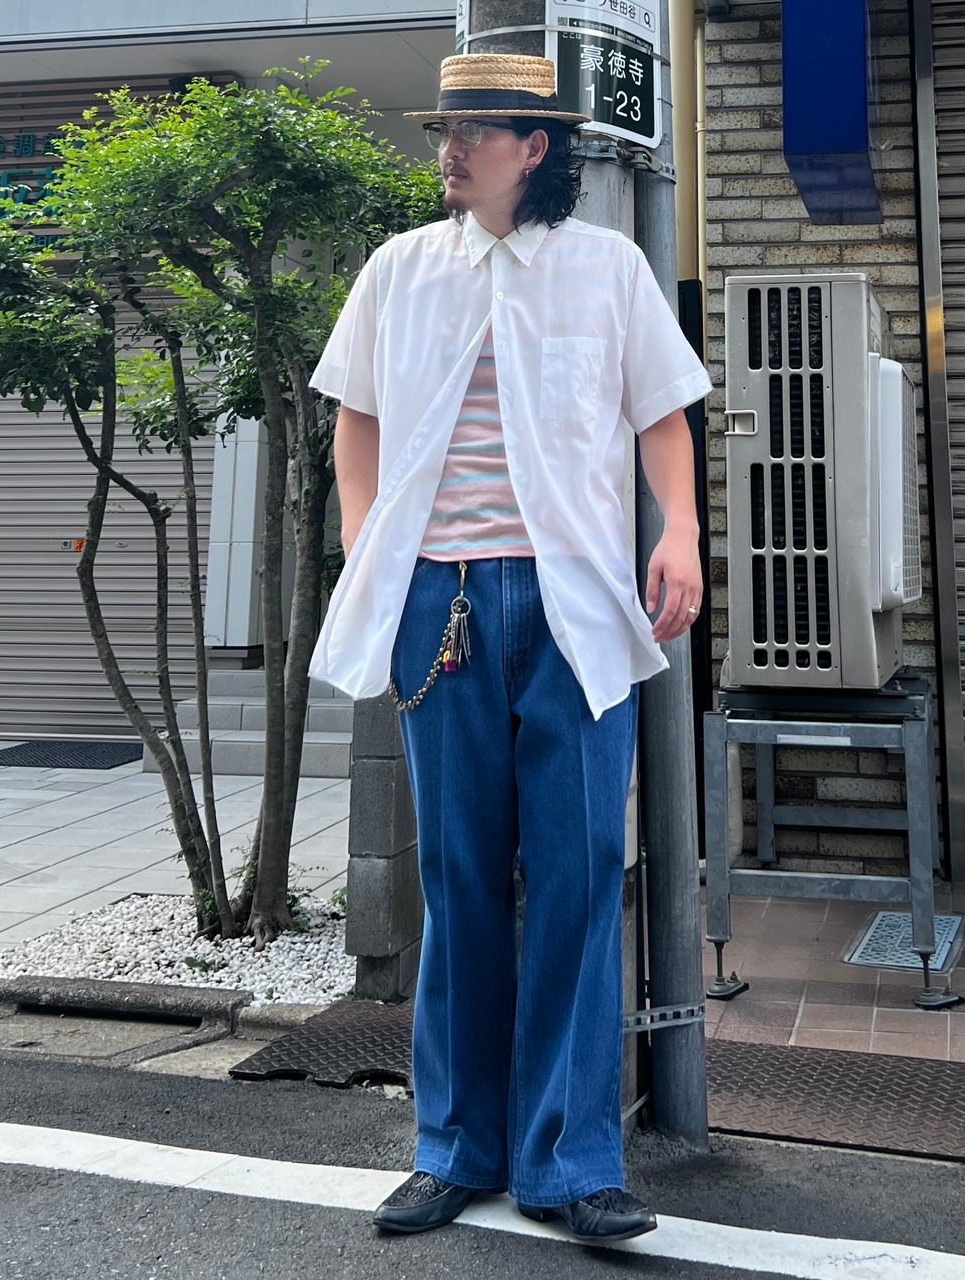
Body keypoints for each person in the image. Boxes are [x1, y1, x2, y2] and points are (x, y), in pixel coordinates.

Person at [308, 53, 711, 1244]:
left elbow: (662, 413)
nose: (449, 148)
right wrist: (367, 543)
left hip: (573, 600)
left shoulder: (607, 267)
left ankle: (571, 1161)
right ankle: (452, 1145)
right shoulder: (398, 268)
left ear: (534, 147)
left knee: (581, 876)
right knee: (458, 877)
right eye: (445, 128)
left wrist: (680, 533)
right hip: (438, 602)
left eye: (474, 130)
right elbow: (354, 416)